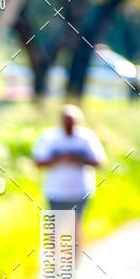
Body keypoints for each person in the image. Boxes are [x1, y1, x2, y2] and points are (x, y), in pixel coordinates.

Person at [33, 104, 106, 254]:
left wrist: (77, 159)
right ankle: (55, 263)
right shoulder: (49, 137)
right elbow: (38, 162)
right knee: (56, 227)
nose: (69, 125)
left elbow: (99, 162)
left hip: (80, 191)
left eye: (72, 121)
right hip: (55, 191)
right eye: (66, 121)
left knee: (75, 225)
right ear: (61, 120)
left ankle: (74, 262)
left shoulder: (87, 137)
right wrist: (57, 159)